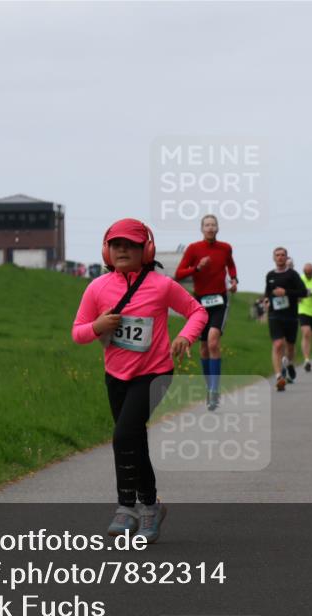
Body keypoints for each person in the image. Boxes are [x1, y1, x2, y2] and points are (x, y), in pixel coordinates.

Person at [72, 218, 207, 543]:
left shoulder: (161, 286)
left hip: (154, 373)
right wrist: (98, 326)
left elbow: (198, 312)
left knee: (123, 436)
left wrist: (185, 337)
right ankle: (151, 507)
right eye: (116, 245)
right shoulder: (96, 288)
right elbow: (78, 333)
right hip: (116, 376)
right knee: (134, 439)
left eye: (130, 245)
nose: (122, 250)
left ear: (146, 250)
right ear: (106, 250)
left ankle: (126, 507)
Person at [175, 214, 238, 411]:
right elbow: (179, 273)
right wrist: (197, 268)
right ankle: (209, 388)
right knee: (203, 348)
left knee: (212, 342)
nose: (210, 228)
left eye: (213, 225)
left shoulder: (225, 248)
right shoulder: (193, 249)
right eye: (207, 225)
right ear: (202, 229)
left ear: (217, 228)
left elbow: (230, 265)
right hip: (200, 303)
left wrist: (234, 280)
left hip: (220, 300)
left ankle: (214, 389)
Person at [264, 247, 308, 391]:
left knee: (290, 346)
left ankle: (289, 364)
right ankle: (279, 377)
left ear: (286, 257)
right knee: (277, 344)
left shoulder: (293, 274)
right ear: (274, 258)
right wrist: (267, 300)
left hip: (291, 316)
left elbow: (303, 292)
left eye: (283, 255)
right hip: (274, 315)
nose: (280, 257)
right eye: (277, 255)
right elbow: (268, 292)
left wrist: (286, 292)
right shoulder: (270, 275)